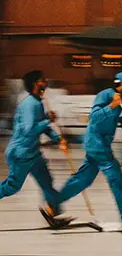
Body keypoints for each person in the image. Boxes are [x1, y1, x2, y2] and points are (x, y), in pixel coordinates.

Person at [46, 72, 122, 233]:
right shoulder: (105, 95)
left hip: (102, 144)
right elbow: (94, 117)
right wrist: (112, 106)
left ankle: (53, 204)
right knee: (117, 178)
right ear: (119, 84)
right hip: (96, 143)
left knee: (82, 180)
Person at [0, 70, 72, 228]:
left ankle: (54, 213)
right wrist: (47, 120)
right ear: (34, 84)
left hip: (33, 154)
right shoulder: (29, 104)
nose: (45, 83)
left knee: (47, 182)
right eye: (42, 80)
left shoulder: (38, 102)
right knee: (12, 187)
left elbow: (42, 128)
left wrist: (57, 139)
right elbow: (29, 129)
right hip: (21, 153)